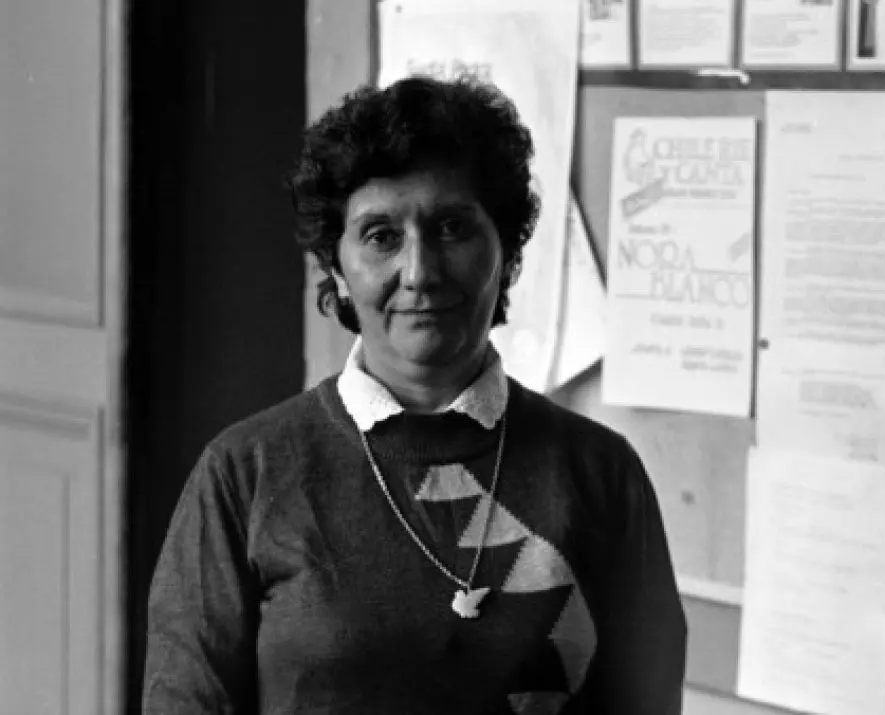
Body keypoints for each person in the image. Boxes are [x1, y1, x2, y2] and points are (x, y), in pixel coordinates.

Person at [142, 75, 688, 714]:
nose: (421, 271)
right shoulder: (244, 474)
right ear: (336, 270)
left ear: (506, 255)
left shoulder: (600, 473)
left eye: (453, 227)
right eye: (380, 236)